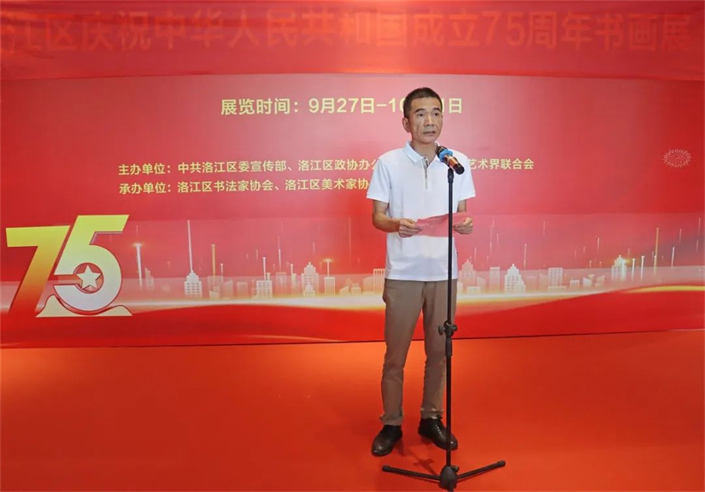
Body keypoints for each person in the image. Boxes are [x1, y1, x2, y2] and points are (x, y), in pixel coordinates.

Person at [366, 87, 476, 457]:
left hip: (444, 271)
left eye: (436, 113)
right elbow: (377, 217)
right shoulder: (388, 163)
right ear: (406, 122)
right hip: (404, 272)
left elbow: (461, 212)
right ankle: (391, 422)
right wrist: (396, 224)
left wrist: (464, 224)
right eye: (420, 114)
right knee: (395, 355)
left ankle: (431, 417)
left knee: (440, 351)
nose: (430, 121)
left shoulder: (456, 163)